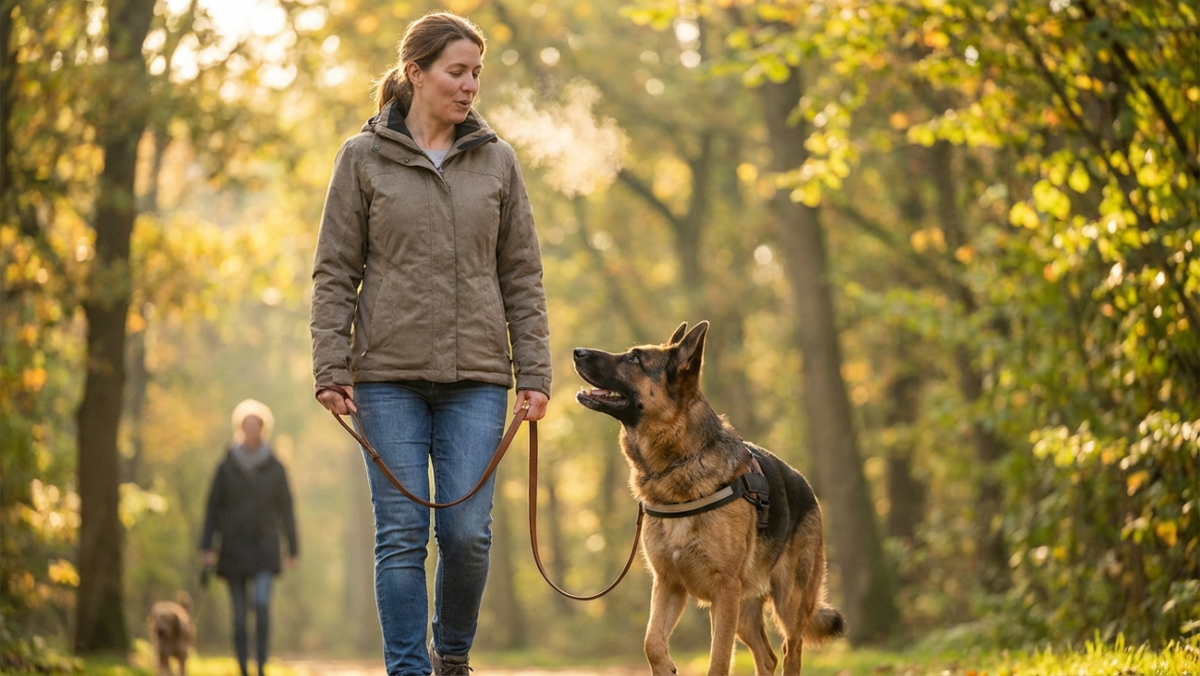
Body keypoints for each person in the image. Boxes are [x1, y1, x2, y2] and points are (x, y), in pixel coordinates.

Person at [309, 10, 551, 676]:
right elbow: (335, 271)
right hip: (386, 377)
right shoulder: (361, 159)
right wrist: (331, 366)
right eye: (457, 71)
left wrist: (534, 372)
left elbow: (522, 274)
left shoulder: (497, 160)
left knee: (468, 535)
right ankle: (408, 670)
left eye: (477, 72)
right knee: (402, 536)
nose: (471, 85)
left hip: (477, 377)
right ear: (415, 73)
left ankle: (452, 653)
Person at [200, 399, 298, 676]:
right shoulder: (226, 465)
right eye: (246, 425)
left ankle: (262, 666)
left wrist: (293, 548)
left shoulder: (276, 466)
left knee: (262, 604)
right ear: (239, 428)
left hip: (265, 547)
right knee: (240, 617)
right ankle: (243, 669)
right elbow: (212, 507)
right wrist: (206, 546)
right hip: (232, 547)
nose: (251, 429)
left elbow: (286, 509)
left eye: (256, 425)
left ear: (263, 429)